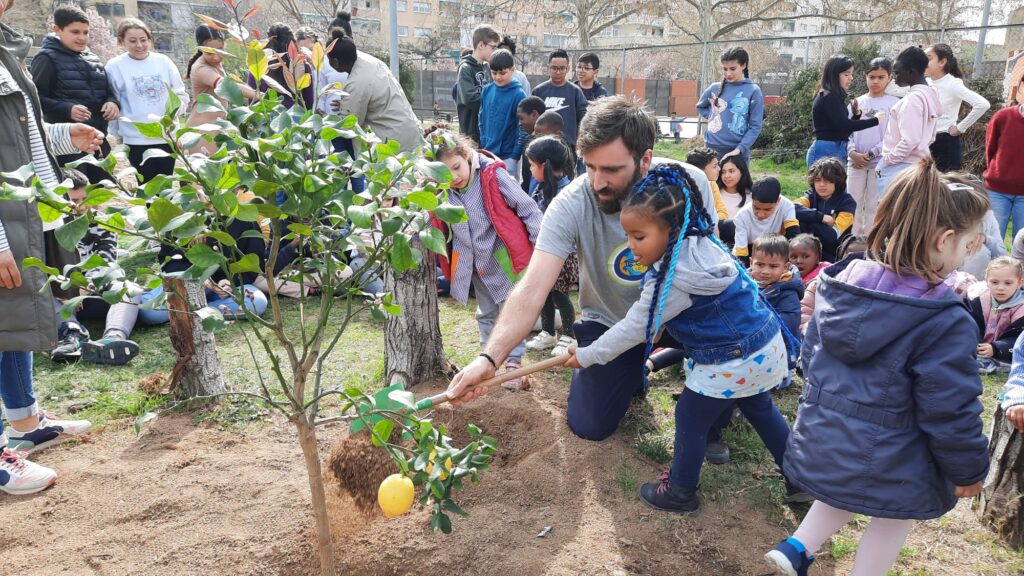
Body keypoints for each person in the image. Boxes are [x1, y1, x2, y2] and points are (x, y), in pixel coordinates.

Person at [445, 96, 719, 443]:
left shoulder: (689, 183)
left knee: (723, 373)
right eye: (590, 167)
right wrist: (489, 358)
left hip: (683, 315)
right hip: (611, 323)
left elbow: (707, 270)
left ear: (645, 159)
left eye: (611, 170)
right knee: (589, 424)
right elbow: (532, 288)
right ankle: (632, 368)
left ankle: (714, 402)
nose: (597, 182)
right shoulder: (571, 203)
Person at [766, 158, 991, 576]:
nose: (968, 254)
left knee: (844, 488)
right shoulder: (943, 319)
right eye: (969, 245)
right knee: (893, 513)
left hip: (830, 435)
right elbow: (951, 407)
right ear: (945, 240)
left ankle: (798, 547)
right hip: (897, 449)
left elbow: (810, 357)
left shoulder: (843, 284)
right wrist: (968, 468)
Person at [563, 163, 806, 514]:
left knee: (690, 415)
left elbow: (635, 328)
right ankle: (799, 479)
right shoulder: (702, 241)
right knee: (760, 407)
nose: (631, 246)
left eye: (639, 237)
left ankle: (680, 491)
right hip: (765, 346)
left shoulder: (675, 278)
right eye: (627, 235)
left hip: (731, 359)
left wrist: (588, 355)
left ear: (671, 229)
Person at [0, 0, 104, 492]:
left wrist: (65, 135)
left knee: (15, 318)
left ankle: (25, 423)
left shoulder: (6, 47)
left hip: (23, 210)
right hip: (5, 221)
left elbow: (18, 137)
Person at [430, 131, 543, 390]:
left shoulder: (492, 175)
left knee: (510, 310)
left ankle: (513, 363)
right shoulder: (440, 191)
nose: (454, 177)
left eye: (456, 167)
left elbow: (527, 208)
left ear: (466, 155)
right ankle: (487, 361)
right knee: (486, 312)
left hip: (503, 258)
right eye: (445, 174)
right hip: (475, 264)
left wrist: (539, 243)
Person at [49, 168, 141, 365]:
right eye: (73, 200)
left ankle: (113, 339)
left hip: (96, 292)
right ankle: (72, 335)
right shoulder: (50, 229)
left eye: (85, 199)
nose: (80, 206)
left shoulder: (103, 222)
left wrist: (86, 284)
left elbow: (106, 261)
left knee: (130, 289)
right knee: (43, 293)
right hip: (62, 299)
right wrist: (70, 288)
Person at [30, 5, 118, 184]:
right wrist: (66, 109)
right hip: (67, 145)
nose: (82, 37)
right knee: (75, 194)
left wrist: (112, 102)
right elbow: (34, 100)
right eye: (75, 32)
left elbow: (108, 91)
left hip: (97, 140)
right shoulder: (46, 58)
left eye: (86, 32)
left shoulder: (93, 58)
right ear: (57, 29)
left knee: (101, 193)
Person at [105, 18, 188, 183]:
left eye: (143, 40)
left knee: (166, 184)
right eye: (132, 41)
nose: (139, 45)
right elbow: (113, 103)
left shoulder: (163, 62)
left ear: (150, 40)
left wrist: (174, 122)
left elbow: (180, 95)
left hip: (166, 136)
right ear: (121, 41)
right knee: (147, 186)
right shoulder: (114, 66)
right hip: (136, 138)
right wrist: (117, 135)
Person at [523, 136, 578, 357]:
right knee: (543, 293)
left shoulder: (567, 192)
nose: (529, 169)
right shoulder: (540, 188)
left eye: (531, 165)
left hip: (562, 255)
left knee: (559, 295)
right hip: (542, 251)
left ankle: (569, 335)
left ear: (543, 166)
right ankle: (548, 333)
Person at [326, 30, 420, 153]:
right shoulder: (370, 62)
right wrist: (347, 103)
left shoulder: (357, 82)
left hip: (392, 141)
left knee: (339, 140)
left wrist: (325, 120)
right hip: (408, 132)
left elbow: (349, 125)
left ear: (335, 62)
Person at [876, 46, 941, 197]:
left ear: (912, 71)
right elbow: (931, 136)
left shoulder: (912, 100)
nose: (894, 77)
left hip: (900, 168)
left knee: (894, 210)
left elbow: (910, 140)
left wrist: (888, 160)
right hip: (918, 165)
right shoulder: (930, 95)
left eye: (898, 73)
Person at [184, 24, 256, 155]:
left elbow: (233, 83)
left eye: (220, 49)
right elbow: (226, 86)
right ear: (201, 49)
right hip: (203, 131)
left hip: (217, 128)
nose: (216, 57)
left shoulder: (216, 64)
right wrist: (259, 95)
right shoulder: (200, 68)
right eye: (209, 52)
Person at [847, 57, 898, 236]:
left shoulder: (895, 103)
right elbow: (846, 131)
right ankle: (850, 241)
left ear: (889, 77)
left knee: (874, 206)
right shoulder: (856, 103)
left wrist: (871, 153)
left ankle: (871, 242)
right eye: (872, 77)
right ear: (865, 77)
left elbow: (893, 135)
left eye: (881, 77)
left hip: (880, 163)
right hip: (855, 163)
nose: (875, 81)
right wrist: (852, 152)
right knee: (852, 203)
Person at [807, 55, 882, 168]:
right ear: (833, 75)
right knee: (825, 180)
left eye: (851, 74)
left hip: (838, 148)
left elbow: (843, 131)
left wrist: (856, 115)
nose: (851, 78)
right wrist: (875, 120)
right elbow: (845, 125)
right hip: (826, 151)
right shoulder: (828, 96)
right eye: (846, 74)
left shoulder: (835, 97)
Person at [925, 43, 990, 172]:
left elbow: (982, 104)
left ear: (942, 62)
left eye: (929, 58)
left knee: (944, 184)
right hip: (924, 142)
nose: (924, 62)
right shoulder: (925, 83)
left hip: (944, 144)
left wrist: (960, 128)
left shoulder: (952, 84)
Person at [696, 46, 763, 163]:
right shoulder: (714, 88)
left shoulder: (754, 91)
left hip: (737, 153)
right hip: (711, 151)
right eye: (725, 69)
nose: (728, 73)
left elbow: (755, 126)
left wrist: (739, 149)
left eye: (732, 68)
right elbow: (700, 106)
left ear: (743, 65)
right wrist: (714, 116)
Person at [749, 234, 804, 367]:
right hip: (753, 346)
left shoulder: (788, 292)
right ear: (751, 262)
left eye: (773, 266)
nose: (765, 271)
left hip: (780, 350)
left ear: (785, 267)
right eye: (760, 264)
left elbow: (788, 325)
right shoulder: (744, 284)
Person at [966, 256, 1024, 373]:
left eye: (1008, 283)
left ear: (1020, 283)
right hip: (981, 349)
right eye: (994, 282)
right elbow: (968, 325)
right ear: (987, 281)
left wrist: (996, 348)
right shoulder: (980, 301)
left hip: (1006, 350)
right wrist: (974, 343)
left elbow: (1020, 340)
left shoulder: (1021, 309)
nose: (1000, 288)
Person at [984, 74, 1024, 240]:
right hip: (997, 190)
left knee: (1021, 244)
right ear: (1021, 87)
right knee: (991, 240)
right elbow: (990, 149)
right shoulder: (1002, 117)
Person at [796, 157, 855, 262]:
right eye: (817, 180)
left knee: (801, 221)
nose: (822, 184)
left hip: (833, 256)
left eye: (827, 180)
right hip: (807, 251)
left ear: (837, 182)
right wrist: (821, 217)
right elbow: (792, 208)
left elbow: (832, 236)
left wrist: (807, 218)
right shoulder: (810, 195)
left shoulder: (847, 203)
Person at [479, 48, 527, 177]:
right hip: (487, 152)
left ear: (512, 69)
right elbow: (481, 119)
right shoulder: (487, 90)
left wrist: (515, 156)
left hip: (508, 156)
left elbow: (522, 128)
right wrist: (483, 142)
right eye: (494, 73)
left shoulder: (519, 94)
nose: (498, 77)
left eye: (502, 73)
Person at [532, 50, 588, 153]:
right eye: (554, 68)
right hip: (541, 147)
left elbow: (584, 120)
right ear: (548, 68)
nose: (558, 72)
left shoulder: (575, 92)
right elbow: (531, 120)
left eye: (562, 68)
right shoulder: (538, 91)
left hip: (568, 148)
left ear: (568, 68)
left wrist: (579, 142)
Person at [731, 177, 799, 262]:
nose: (761, 215)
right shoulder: (741, 216)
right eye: (756, 208)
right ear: (751, 197)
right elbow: (741, 253)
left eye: (767, 209)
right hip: (751, 250)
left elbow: (793, 235)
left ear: (778, 200)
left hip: (777, 247)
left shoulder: (787, 206)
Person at [248, 24, 314, 110]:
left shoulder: (259, 65)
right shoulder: (302, 65)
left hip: (267, 113)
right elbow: (309, 101)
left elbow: (252, 98)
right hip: (295, 113)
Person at [456, 24, 499, 143]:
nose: (495, 52)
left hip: (486, 131)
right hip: (470, 135)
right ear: (481, 45)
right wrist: (495, 101)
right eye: (493, 47)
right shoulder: (465, 68)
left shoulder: (487, 68)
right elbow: (469, 99)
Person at [792, 234, 830, 333]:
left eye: (805, 256)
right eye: (793, 257)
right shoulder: (786, 278)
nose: (799, 261)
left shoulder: (825, 279)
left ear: (818, 258)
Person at [517, 95, 546, 191]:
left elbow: (528, 179)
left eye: (521, 118)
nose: (519, 123)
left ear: (534, 114)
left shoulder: (534, 144)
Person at [717, 154, 753, 221]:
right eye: (723, 172)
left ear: (742, 171)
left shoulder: (752, 196)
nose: (726, 176)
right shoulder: (715, 193)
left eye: (731, 171)